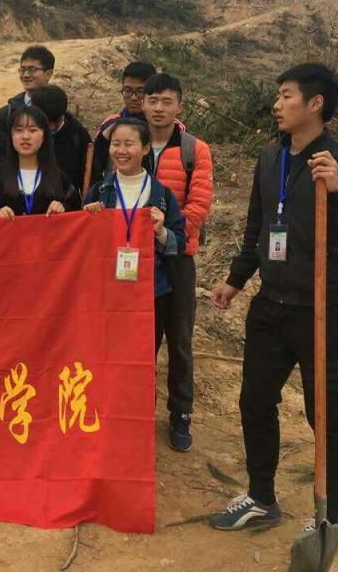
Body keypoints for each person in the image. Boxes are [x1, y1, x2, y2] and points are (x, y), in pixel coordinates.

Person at [209, 63, 338, 531]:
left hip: (323, 307)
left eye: (286, 95)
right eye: (278, 96)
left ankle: (329, 517)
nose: (277, 104)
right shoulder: (271, 158)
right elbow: (258, 224)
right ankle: (261, 497)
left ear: (315, 103)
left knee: (325, 413)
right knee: (255, 401)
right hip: (272, 305)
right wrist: (236, 279)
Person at [141, 73, 214, 452]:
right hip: (135, 261)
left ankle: (180, 413)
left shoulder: (194, 150)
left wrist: (165, 234)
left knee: (180, 340)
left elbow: (199, 205)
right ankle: (140, 409)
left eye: (166, 101)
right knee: (141, 340)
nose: (158, 108)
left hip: (178, 258)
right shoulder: (130, 142)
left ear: (179, 106)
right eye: (152, 100)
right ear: (143, 103)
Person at [84, 118, 187, 383]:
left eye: (129, 144)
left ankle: (138, 407)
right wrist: (88, 220)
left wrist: (161, 232)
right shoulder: (99, 192)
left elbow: (179, 244)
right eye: (115, 144)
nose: (121, 151)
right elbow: (83, 247)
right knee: (103, 355)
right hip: (106, 291)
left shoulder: (162, 195)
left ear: (145, 148)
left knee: (142, 359)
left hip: (149, 292)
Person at [0, 105, 81, 218]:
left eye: (33, 130)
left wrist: (63, 207)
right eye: (19, 130)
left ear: (44, 135)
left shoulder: (59, 179)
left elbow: (77, 213)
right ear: (11, 135)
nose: (25, 136)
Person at [89, 61, 155, 184]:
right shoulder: (109, 124)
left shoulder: (167, 127)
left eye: (140, 92)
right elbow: (94, 167)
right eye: (128, 91)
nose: (134, 98)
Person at [29, 84, 92, 193]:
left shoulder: (78, 135)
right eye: (47, 122)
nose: (52, 127)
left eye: (57, 121)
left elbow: (91, 176)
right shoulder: (22, 134)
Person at [0, 45, 55, 136]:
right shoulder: (6, 114)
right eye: (23, 70)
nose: (26, 75)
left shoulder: (59, 110)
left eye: (32, 70)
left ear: (48, 74)